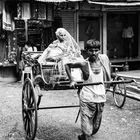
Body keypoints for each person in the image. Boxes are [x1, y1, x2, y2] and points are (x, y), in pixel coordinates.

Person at [74, 39, 111, 140]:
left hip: (100, 98)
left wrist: (107, 86)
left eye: (96, 50)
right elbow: (70, 67)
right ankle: (85, 134)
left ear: (99, 50)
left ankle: (83, 136)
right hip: (87, 98)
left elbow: (108, 75)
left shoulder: (104, 60)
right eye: (91, 50)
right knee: (88, 131)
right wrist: (73, 81)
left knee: (94, 128)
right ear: (86, 51)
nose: (94, 53)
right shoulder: (84, 64)